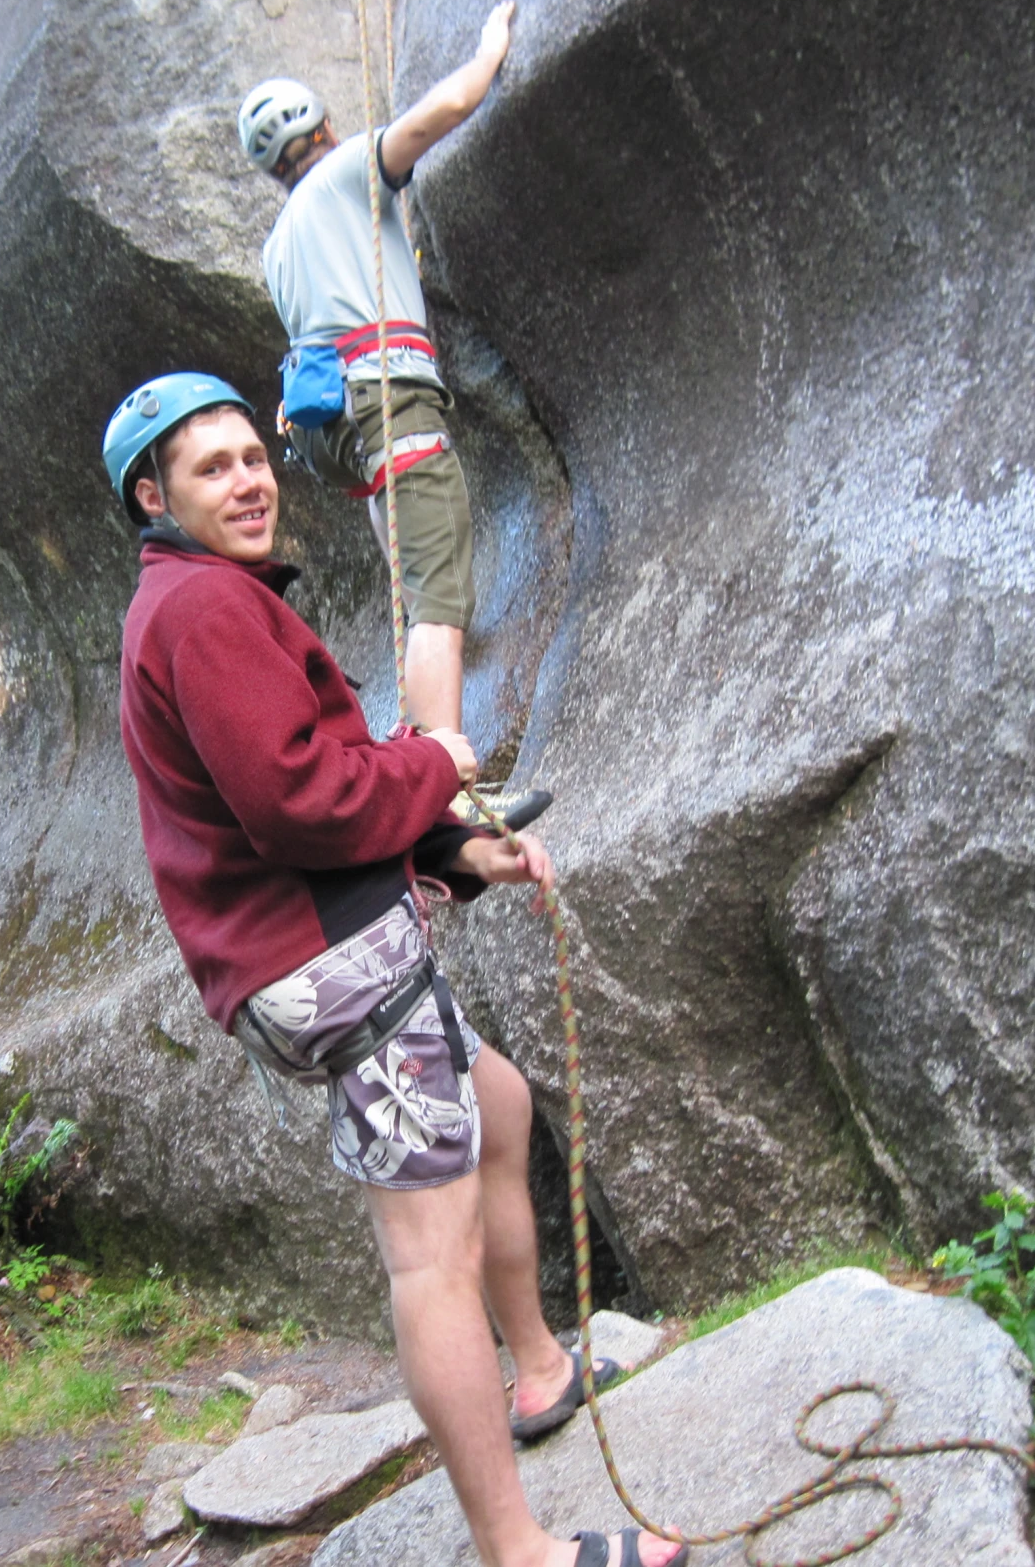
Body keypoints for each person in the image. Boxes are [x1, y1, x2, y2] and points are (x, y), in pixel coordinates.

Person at [103, 372, 686, 1567]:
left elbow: (296, 796)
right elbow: (300, 803)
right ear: (151, 497)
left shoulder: (202, 602)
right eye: (209, 470)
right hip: (332, 967)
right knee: (429, 1255)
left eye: (251, 458)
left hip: (319, 955)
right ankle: (514, 1547)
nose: (248, 479)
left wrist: (461, 851)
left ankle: (535, 1370)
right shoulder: (204, 613)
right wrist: (432, 762)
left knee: (502, 1106)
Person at [238, 0, 517, 747]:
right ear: (324, 131)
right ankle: (440, 785)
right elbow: (447, 108)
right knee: (436, 600)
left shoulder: (276, 246)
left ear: (272, 171)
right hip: (388, 396)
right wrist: (491, 47)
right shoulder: (344, 174)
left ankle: (418, 730)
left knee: (412, 578)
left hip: (335, 423)